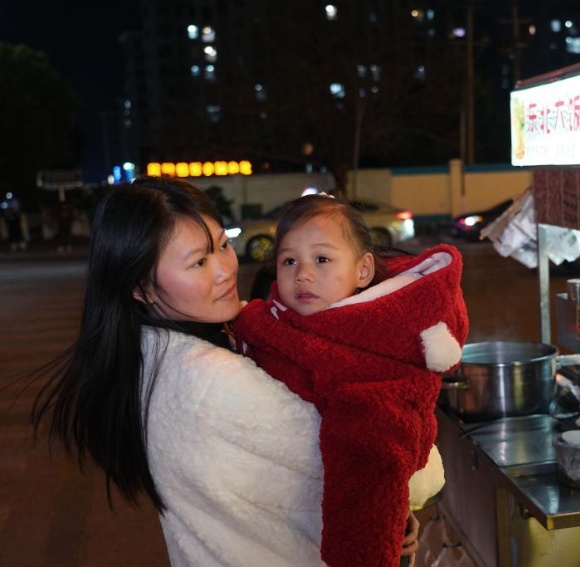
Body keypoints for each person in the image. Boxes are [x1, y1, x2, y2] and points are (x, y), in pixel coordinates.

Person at [29, 177, 419, 565]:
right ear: (141, 288)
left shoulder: (152, 355)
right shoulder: (211, 380)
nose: (224, 271)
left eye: (223, 245)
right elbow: (381, 461)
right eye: (199, 262)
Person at [233, 194, 469, 567]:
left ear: (363, 271)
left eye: (322, 259)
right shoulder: (278, 317)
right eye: (289, 260)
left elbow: (374, 452)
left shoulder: (376, 340)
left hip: (369, 524)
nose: (303, 273)